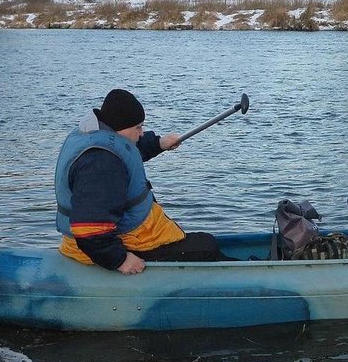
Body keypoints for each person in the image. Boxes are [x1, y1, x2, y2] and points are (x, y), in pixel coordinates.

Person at [54, 88, 231, 275]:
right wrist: (120, 260)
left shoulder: (100, 135)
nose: (141, 133)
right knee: (205, 248)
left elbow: (128, 149)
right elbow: (89, 228)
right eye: (138, 127)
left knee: (205, 243)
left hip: (122, 237)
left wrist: (159, 143)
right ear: (121, 127)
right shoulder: (101, 165)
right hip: (116, 245)